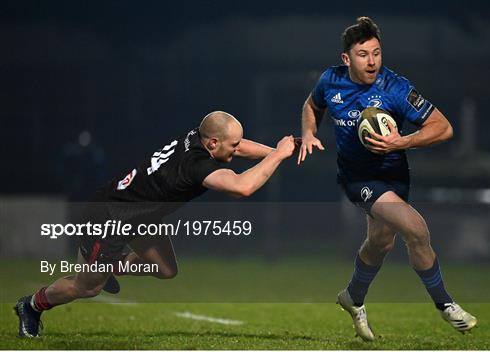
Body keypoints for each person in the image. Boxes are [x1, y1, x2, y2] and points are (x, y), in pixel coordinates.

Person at [15, 111, 296, 338]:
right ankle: (31, 304)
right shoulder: (195, 165)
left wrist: (277, 150)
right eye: (232, 146)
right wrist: (278, 155)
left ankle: (110, 264)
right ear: (212, 143)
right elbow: (242, 186)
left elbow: (238, 144)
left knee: (165, 269)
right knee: (87, 288)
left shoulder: (197, 137)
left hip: (140, 216)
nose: (237, 149)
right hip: (109, 219)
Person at [297, 17, 477, 340]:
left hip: (394, 175)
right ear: (346, 59)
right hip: (358, 178)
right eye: (363, 54)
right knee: (416, 230)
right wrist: (308, 133)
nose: (372, 61)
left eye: (377, 53)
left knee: (381, 242)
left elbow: (443, 127)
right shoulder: (330, 80)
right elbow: (312, 104)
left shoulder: (396, 87)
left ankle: (353, 297)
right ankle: (445, 304)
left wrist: (402, 142)